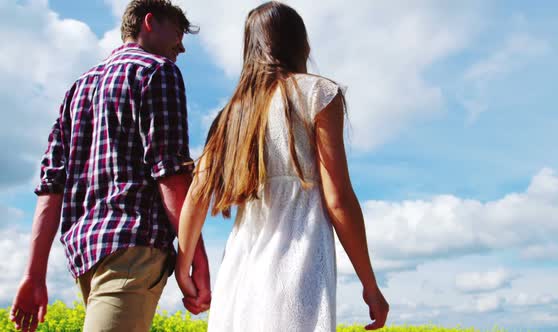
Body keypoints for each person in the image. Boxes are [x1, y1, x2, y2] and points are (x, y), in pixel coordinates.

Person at [175, 1, 389, 331]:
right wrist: (370, 286)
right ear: (300, 43)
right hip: (298, 268)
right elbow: (338, 199)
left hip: (239, 276)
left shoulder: (231, 116)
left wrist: (184, 267)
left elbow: (197, 196)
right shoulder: (317, 93)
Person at [10, 1, 211, 331]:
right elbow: (170, 171)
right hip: (134, 241)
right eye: (177, 34)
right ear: (149, 22)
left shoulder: (77, 88)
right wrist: (195, 258)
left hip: (85, 252)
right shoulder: (157, 71)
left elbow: (51, 185)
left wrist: (34, 273)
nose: (182, 47)